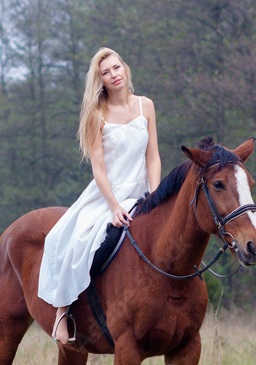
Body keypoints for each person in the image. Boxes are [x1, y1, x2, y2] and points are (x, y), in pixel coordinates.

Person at [38, 47, 161, 344]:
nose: (113, 75)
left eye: (116, 68)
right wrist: (115, 206)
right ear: (100, 81)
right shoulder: (97, 115)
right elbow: (99, 169)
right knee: (71, 238)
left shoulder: (146, 106)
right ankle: (63, 312)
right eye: (106, 72)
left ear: (125, 68)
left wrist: (156, 196)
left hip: (143, 191)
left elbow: (153, 156)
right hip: (109, 193)